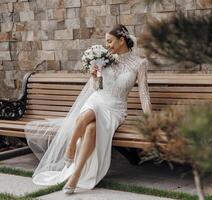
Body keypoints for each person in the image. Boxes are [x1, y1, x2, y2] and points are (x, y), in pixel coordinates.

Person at [25, 24, 152, 194]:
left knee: (92, 129)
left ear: (122, 40)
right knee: (87, 115)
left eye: (110, 41)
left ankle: (75, 173)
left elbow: (144, 94)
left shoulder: (140, 63)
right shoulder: (104, 57)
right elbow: (97, 88)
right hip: (98, 99)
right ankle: (71, 154)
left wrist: (149, 119)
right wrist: (94, 76)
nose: (107, 45)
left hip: (116, 109)